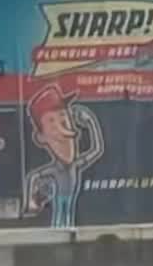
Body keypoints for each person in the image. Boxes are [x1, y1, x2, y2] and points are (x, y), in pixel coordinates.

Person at [23, 84, 104, 229]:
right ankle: (59, 229)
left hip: (68, 197)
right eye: (52, 123)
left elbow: (97, 149)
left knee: (66, 213)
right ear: (41, 137)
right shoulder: (57, 169)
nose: (63, 127)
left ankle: (64, 228)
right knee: (61, 213)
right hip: (60, 197)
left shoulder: (73, 165)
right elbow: (33, 176)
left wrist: (91, 123)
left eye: (64, 118)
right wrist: (31, 201)